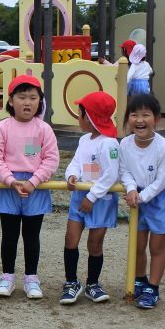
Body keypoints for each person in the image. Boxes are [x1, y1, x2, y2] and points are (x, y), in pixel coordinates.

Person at [0, 74, 59, 299]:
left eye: (33, 97)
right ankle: (7, 276)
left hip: (35, 187)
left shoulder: (44, 129)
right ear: (10, 101)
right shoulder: (3, 127)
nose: (27, 102)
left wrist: (33, 181)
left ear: (40, 101)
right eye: (22, 97)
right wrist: (10, 180)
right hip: (9, 187)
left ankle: (31, 278)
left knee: (31, 235)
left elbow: (51, 159)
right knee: (9, 235)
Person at [119, 93, 165, 310]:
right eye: (134, 114)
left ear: (157, 119)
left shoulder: (164, 147)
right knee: (137, 244)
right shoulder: (125, 144)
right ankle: (139, 280)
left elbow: (162, 181)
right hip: (138, 197)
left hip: (161, 198)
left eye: (146, 114)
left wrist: (141, 196)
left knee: (156, 246)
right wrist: (131, 189)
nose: (139, 120)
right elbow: (124, 171)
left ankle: (152, 288)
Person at [60, 91, 121, 305]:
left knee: (95, 243)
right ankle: (71, 282)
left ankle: (93, 284)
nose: (79, 117)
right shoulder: (85, 140)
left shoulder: (110, 144)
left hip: (100, 199)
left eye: (81, 113)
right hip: (80, 195)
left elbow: (111, 174)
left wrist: (93, 196)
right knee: (71, 238)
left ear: (90, 116)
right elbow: (76, 162)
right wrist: (71, 175)